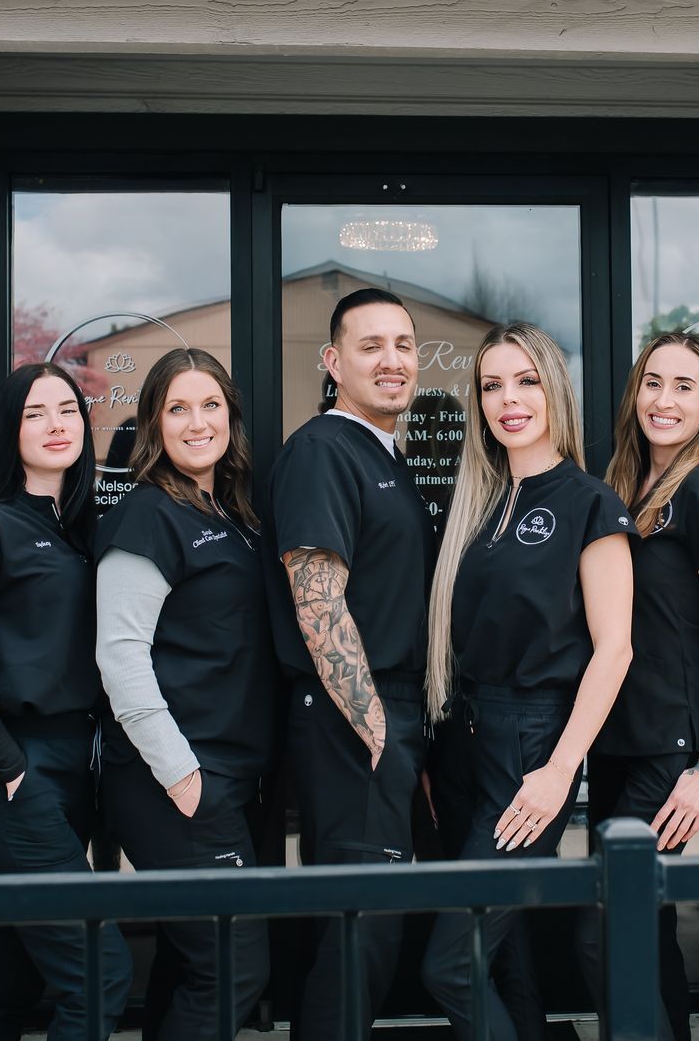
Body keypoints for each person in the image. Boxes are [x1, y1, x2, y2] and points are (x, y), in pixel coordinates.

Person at [419, 321, 635, 1041]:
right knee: (503, 958)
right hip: (464, 742)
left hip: (530, 747)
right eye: (491, 386)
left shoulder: (589, 503)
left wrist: (558, 772)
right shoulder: (479, 505)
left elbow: (614, 652)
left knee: (450, 965)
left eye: (525, 381)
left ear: (554, 389)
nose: (508, 400)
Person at [0, 362, 132, 1039]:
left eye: (69, 411)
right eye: (36, 413)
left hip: (68, 769)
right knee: (101, 975)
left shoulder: (77, 530)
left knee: (6, 982)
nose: (56, 425)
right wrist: (12, 769)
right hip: (12, 771)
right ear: (8, 431)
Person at [266, 287, 434, 1036]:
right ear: (333, 361)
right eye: (371, 346)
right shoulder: (322, 451)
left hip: (391, 710)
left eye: (403, 344)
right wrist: (375, 727)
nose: (392, 360)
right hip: (352, 716)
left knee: (372, 926)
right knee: (360, 929)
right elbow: (318, 601)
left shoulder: (384, 452)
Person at [96, 348, 276, 1038]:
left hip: (227, 774)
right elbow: (120, 657)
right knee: (235, 966)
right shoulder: (148, 515)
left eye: (210, 406)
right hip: (177, 780)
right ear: (153, 423)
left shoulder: (229, 512)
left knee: (190, 963)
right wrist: (181, 776)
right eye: (178, 408)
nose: (197, 423)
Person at [578, 331, 699, 1041]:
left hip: (669, 751)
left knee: (608, 935)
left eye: (685, 387)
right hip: (619, 746)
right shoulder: (623, 487)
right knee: (646, 931)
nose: (664, 399)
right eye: (654, 382)